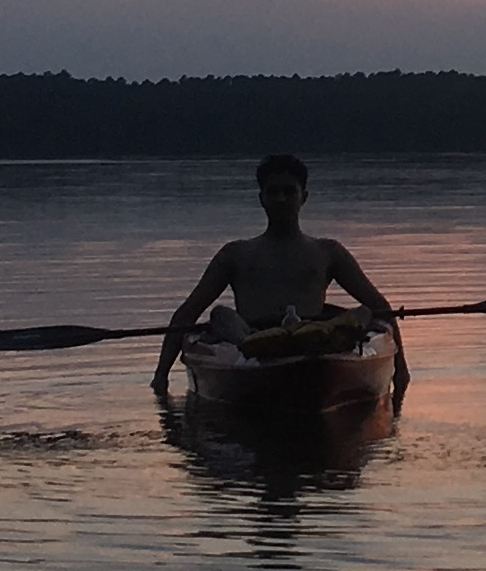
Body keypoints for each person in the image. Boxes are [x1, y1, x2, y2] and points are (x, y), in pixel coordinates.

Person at [153, 152, 405, 396]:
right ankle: (256, 344)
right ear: (261, 198)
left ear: (303, 197)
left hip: (313, 336)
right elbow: (188, 312)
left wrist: (401, 367)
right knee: (220, 314)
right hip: (253, 338)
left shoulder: (329, 251)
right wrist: (161, 374)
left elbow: (379, 305)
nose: (281, 199)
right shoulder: (235, 254)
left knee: (364, 312)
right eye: (273, 192)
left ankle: (320, 345)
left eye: (289, 191)